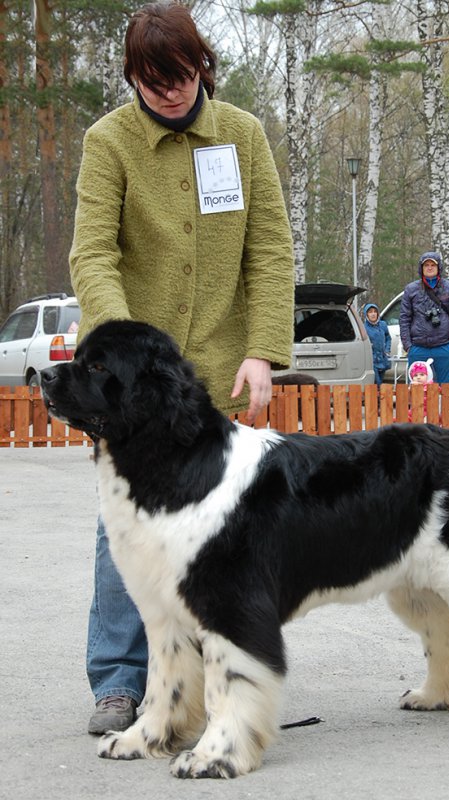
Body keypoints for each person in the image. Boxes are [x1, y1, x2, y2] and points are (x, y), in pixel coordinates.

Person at [69, 1, 295, 735]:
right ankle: (117, 680)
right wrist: (120, 343)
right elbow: (92, 253)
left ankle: (214, 681)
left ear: (203, 65)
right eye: (151, 79)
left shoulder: (242, 135)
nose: (169, 92)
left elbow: (270, 249)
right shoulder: (108, 142)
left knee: (220, 527)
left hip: (222, 367)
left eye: (182, 74)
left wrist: (263, 350)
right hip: (131, 385)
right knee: (125, 526)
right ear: (132, 76)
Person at [399, 251, 449, 384]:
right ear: (421, 268)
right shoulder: (411, 289)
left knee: (447, 390)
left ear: (439, 267)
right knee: (417, 390)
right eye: (426, 265)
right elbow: (404, 318)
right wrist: (408, 346)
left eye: (432, 265)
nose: (429, 268)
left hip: (444, 346)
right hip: (418, 348)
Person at [363, 302, 391, 384]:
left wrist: (387, 350)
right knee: (376, 382)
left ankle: (379, 396)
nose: (373, 314)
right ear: (366, 314)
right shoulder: (364, 327)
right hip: (372, 360)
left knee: (381, 381)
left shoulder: (383, 325)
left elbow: (388, 338)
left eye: (375, 311)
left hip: (382, 358)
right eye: (370, 312)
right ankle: (376, 396)